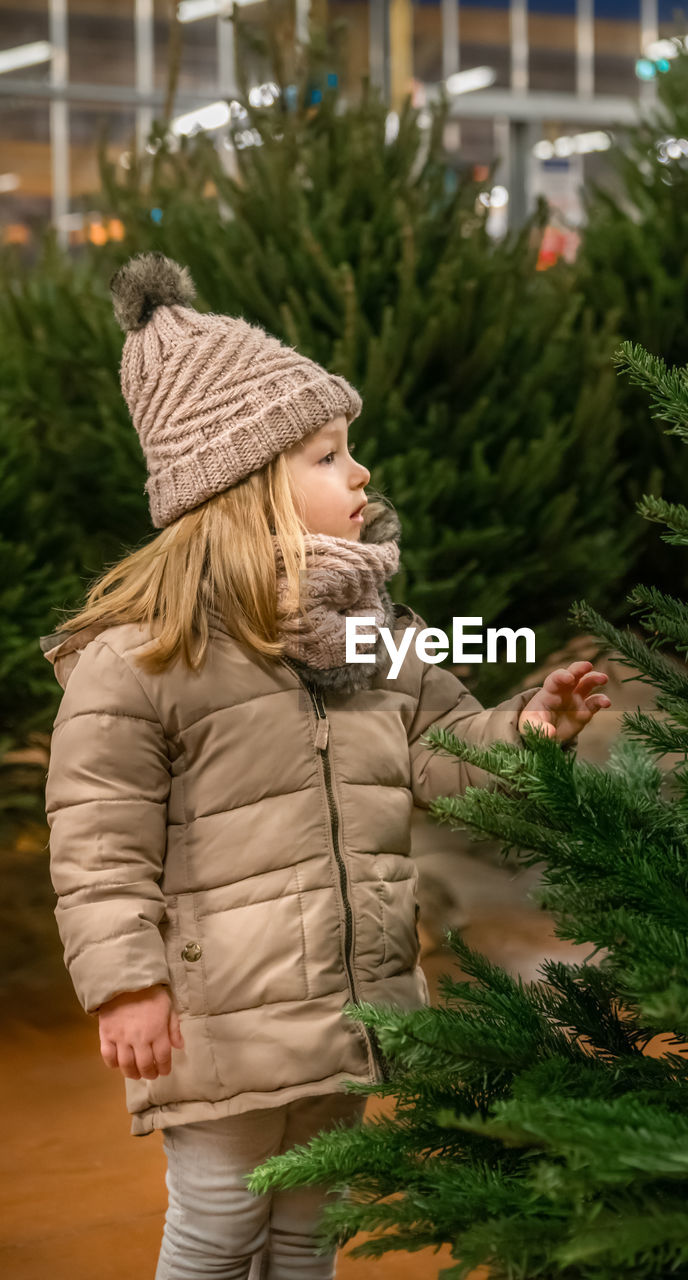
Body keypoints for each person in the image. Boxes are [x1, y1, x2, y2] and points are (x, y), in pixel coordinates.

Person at [41, 252, 611, 1280]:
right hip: (220, 1014)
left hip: (352, 997)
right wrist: (127, 983)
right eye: (326, 454)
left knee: (311, 1231)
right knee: (218, 1225)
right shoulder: (146, 658)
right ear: (243, 488)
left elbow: (443, 759)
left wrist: (529, 726)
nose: (359, 476)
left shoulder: (374, 635)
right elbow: (97, 839)